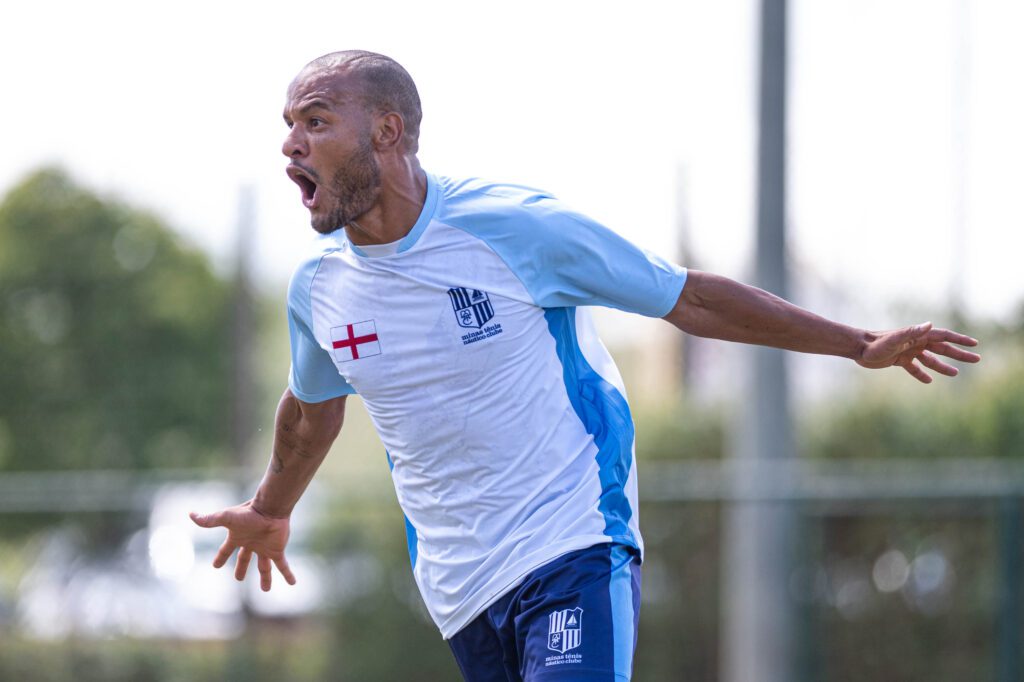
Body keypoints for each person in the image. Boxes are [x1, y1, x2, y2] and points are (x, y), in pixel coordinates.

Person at [189, 50, 981, 681]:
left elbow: (688, 298)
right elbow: (311, 411)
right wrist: (269, 509)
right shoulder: (319, 288)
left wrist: (857, 343)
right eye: (288, 126)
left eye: (315, 121)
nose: (291, 144)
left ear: (388, 131)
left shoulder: (515, 230)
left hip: (572, 540)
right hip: (459, 586)